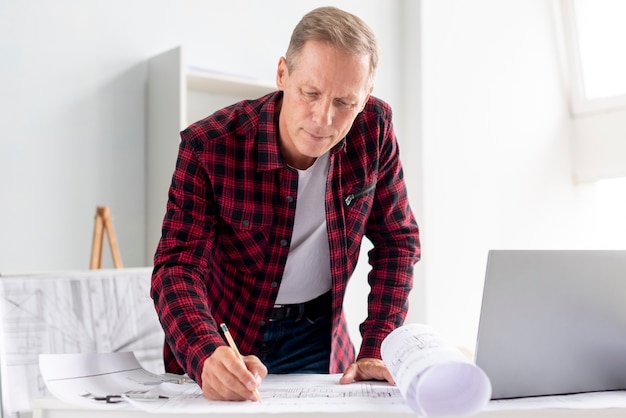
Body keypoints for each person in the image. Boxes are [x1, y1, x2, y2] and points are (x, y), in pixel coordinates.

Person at [150, 5, 420, 402]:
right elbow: (176, 266)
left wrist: (378, 344)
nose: (323, 118)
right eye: (310, 93)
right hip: (227, 335)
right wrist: (205, 352)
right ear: (282, 74)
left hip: (321, 335)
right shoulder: (209, 146)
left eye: (345, 102)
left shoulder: (374, 129)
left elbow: (398, 241)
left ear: (366, 96)